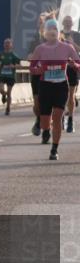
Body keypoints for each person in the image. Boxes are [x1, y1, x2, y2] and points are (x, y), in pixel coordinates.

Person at [27, 18, 78, 160]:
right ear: (45, 33)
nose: (52, 32)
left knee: (57, 117)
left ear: (58, 32)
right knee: (45, 121)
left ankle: (54, 149)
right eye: (49, 30)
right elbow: (32, 68)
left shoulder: (67, 47)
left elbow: (78, 63)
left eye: (55, 29)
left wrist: (75, 65)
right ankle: (46, 130)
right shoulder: (40, 49)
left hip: (61, 86)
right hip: (45, 86)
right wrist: (39, 70)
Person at [60, 15, 78, 133]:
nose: (67, 23)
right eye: (66, 21)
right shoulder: (58, 34)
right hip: (60, 66)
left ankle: (70, 119)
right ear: (63, 23)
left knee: (71, 94)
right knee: (61, 94)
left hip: (72, 66)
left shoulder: (76, 34)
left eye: (69, 21)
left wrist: (73, 44)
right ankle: (60, 118)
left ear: (72, 23)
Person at [0, 39, 21, 116]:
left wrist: (13, 66)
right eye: (5, 43)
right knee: (1, 90)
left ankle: (8, 108)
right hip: (2, 75)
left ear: (11, 45)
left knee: (9, 93)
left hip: (10, 76)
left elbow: (20, 65)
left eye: (8, 44)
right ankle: (4, 95)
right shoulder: (0, 55)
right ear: (3, 45)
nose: (7, 45)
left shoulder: (14, 55)